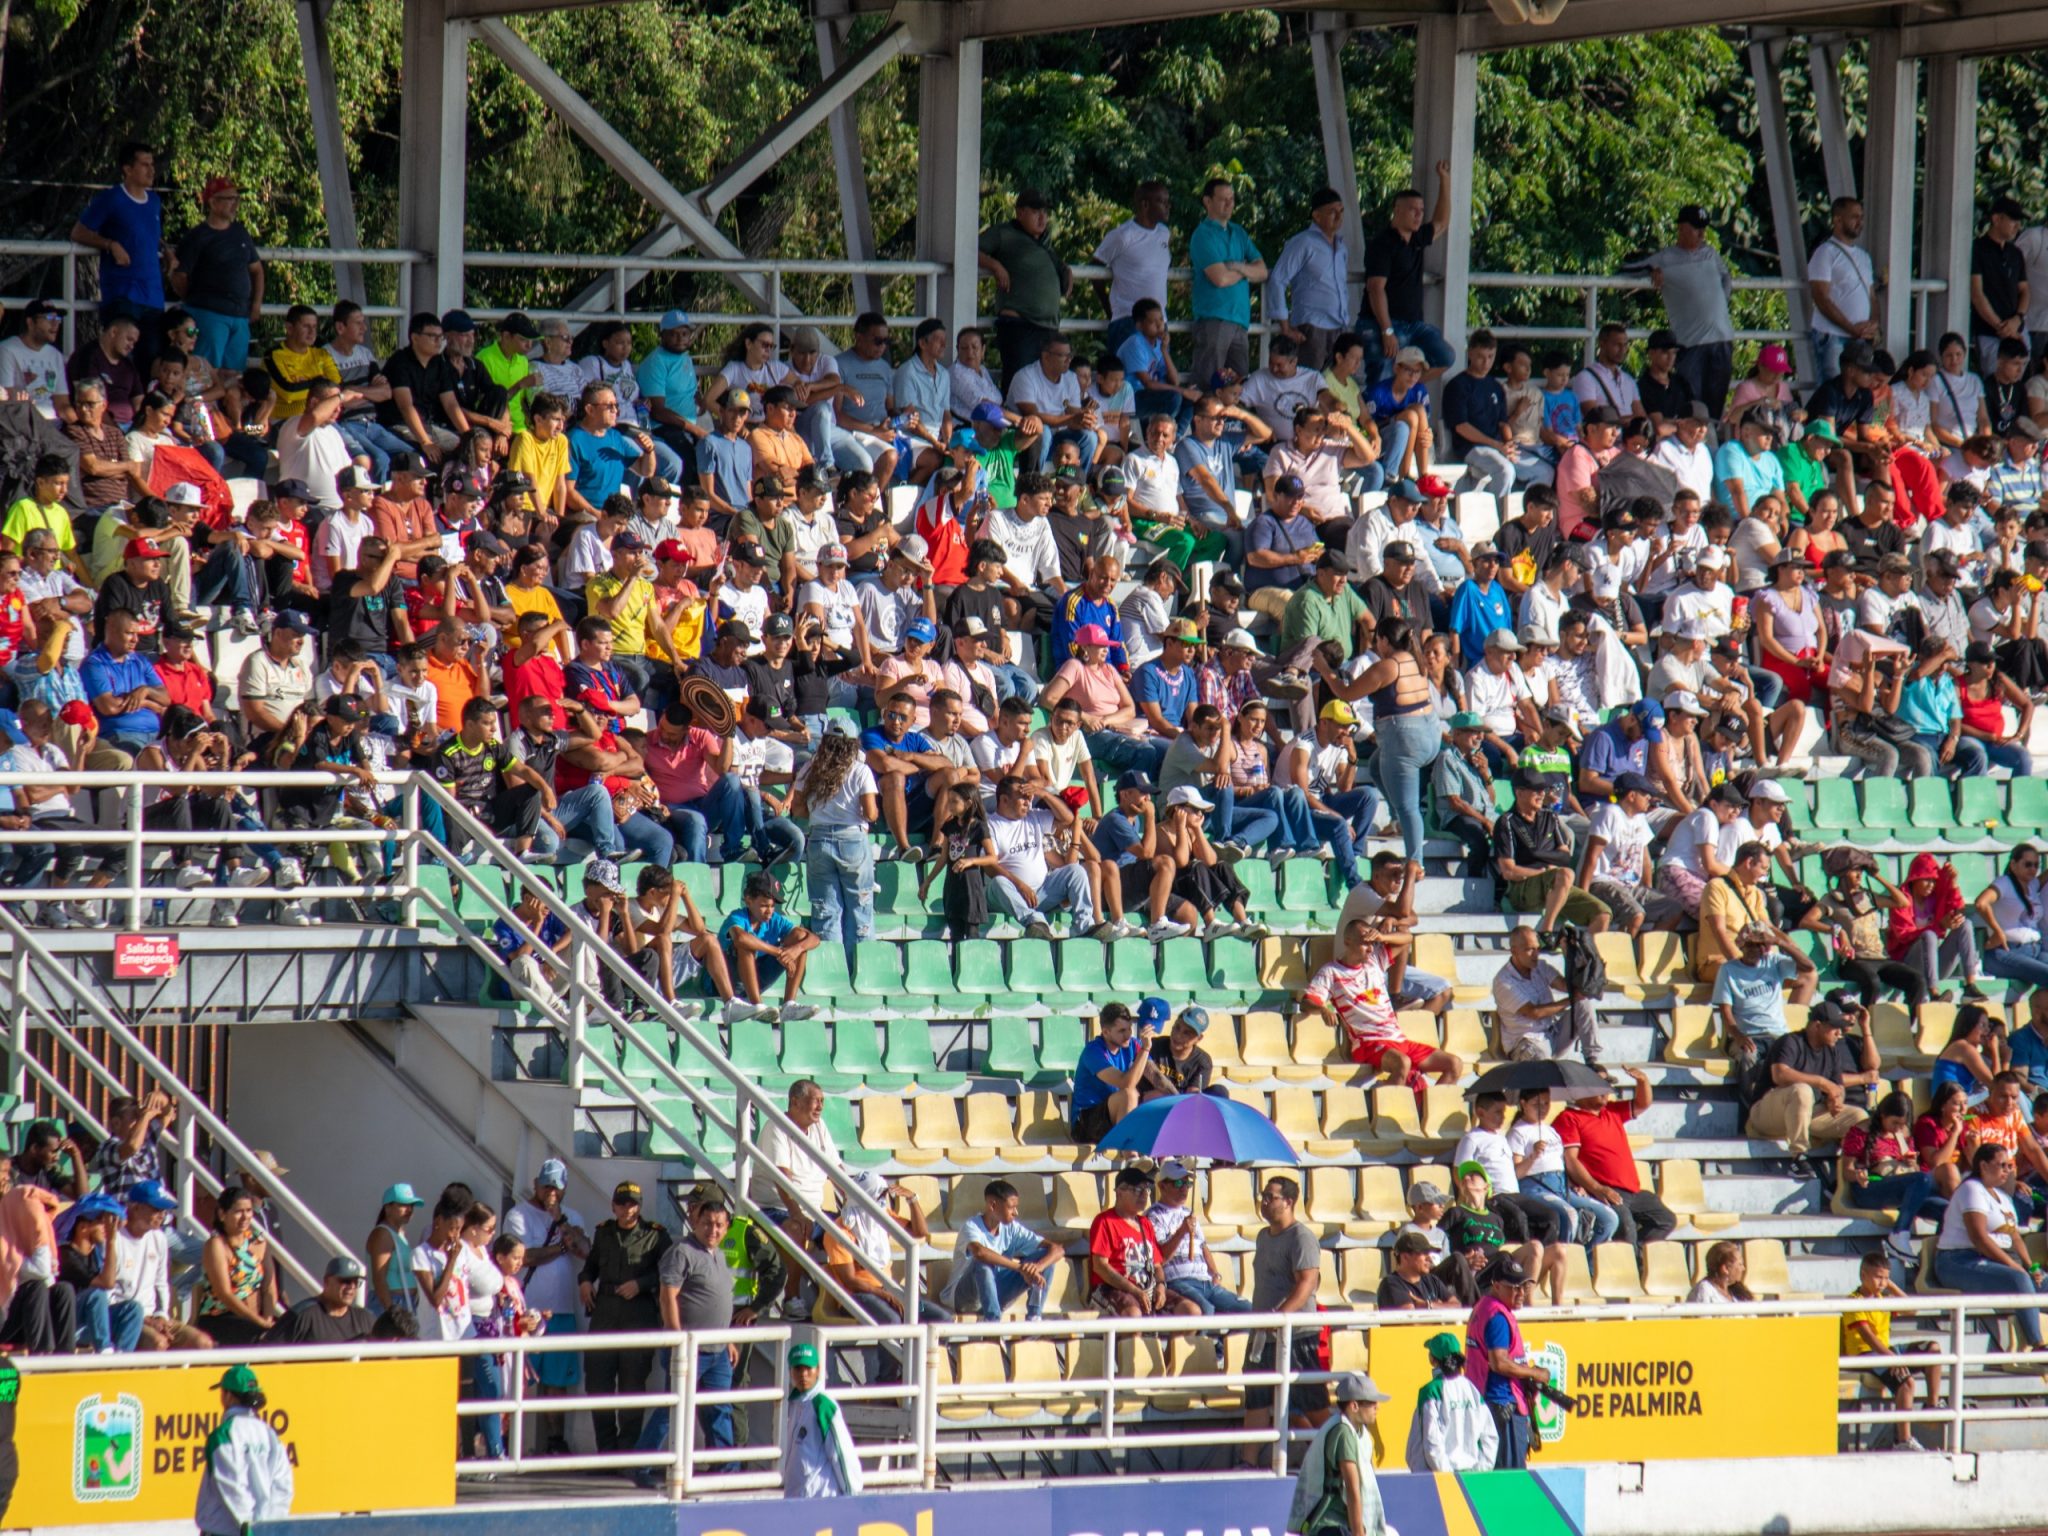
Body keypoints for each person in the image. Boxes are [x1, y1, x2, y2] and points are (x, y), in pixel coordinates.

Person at [1241, 1175, 1329, 1468]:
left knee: (1313, 1403)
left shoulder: (1302, 1237)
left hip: (1296, 1334)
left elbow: (1307, 1283)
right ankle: (1248, 1462)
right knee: (1256, 1398)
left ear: (1289, 1201)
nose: (1264, 1202)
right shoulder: (1263, 1236)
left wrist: (1281, 1317)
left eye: (1271, 1197)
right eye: (1263, 1196)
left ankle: (1341, 1457)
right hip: (1262, 1334)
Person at [579, 1180, 670, 1455]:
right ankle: (606, 1452)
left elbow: (669, 1273)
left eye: (632, 1204)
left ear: (639, 1207)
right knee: (598, 1383)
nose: (627, 1209)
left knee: (632, 1386)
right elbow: (590, 1266)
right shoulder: (604, 1232)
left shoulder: (655, 1235)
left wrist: (641, 1284)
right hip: (605, 1314)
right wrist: (585, 1281)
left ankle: (627, 1452)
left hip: (638, 1315)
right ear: (613, 1206)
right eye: (622, 1203)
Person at [502, 1159, 590, 1444]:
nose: (551, 1192)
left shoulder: (571, 1217)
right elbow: (525, 1257)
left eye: (556, 1187)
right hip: (525, 1312)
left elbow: (585, 1250)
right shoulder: (518, 1215)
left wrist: (560, 1220)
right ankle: (507, 1442)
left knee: (557, 1382)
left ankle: (555, 1442)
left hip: (561, 1311)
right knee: (516, 1381)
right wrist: (562, 1247)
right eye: (546, 1186)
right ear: (536, 1184)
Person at [1933, 1142, 2048, 1351]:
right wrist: (2016, 1268)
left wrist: (2031, 1267)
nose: (2007, 1170)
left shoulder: (2002, 1196)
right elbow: (1979, 1238)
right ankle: (2038, 1345)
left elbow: (2015, 1237)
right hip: (1959, 1260)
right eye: (2002, 1165)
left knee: (2042, 1282)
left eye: (2010, 1166)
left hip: (1993, 1260)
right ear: (1984, 1166)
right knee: (2019, 1279)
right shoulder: (1971, 1189)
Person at [1553, 1068, 1677, 1249]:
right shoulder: (1569, 1118)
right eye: (1599, 1085)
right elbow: (1570, 1160)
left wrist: (1642, 1080)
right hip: (1605, 1190)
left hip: (1632, 1190)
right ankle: (1629, 1262)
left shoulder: (1611, 1111)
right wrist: (1597, 1188)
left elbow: (1642, 1103)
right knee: (1626, 1228)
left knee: (1666, 1220)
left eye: (1607, 1085)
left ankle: (1637, 1258)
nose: (1606, 1090)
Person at [1745, 998, 1881, 1158]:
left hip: (1807, 1114)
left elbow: (1838, 1086)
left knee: (1859, 1117)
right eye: (1834, 1027)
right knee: (1802, 1090)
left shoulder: (1832, 1050)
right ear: (1817, 1026)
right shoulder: (1790, 1041)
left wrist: (1836, 1099)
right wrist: (1821, 1082)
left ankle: (1852, 1165)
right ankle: (1799, 1154)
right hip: (1767, 1114)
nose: (1839, 1033)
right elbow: (1779, 1074)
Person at [1842, 1249, 1941, 1451]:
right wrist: (1892, 1359)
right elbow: (1869, 1339)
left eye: (1886, 1278)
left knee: (1933, 1349)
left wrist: (1892, 1286)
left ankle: (1932, 1407)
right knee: (1907, 1382)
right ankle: (1903, 1440)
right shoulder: (1854, 1301)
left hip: (1886, 1351)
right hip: (1866, 1355)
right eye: (1878, 1277)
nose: (1882, 1283)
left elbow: (1912, 1309)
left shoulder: (1882, 1299)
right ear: (1863, 1275)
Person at [1843, 1091, 1949, 1266]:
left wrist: (1911, 1163)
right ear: (1883, 1115)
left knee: (1948, 1210)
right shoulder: (1861, 1131)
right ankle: (1899, 1233)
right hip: (1871, 1188)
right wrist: (1857, 1175)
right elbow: (1846, 1170)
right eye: (1894, 1123)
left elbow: (1914, 1171)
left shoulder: (1903, 1134)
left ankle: (1936, 1258)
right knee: (1921, 1179)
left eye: (1902, 1123)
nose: (1898, 1128)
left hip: (1899, 1186)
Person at [1465, 1254, 1548, 1469]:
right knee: (1510, 1476)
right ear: (1496, 1286)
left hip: (1490, 1401)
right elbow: (1499, 1363)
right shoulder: (1498, 1317)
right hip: (1503, 1405)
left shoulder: (1484, 1307)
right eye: (1514, 1288)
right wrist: (1535, 1373)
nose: (1521, 1293)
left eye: (1524, 1287)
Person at [1288, 1373, 1396, 1536]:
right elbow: (1352, 1488)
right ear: (1354, 1406)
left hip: (1336, 1524)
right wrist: (1358, 1533)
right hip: (1330, 1525)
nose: (1377, 1407)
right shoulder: (1343, 1433)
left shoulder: (1355, 1432)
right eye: (1372, 1403)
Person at [193, 1365, 294, 1536]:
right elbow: (283, 1486)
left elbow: (232, 1486)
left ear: (228, 1396)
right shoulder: (270, 1435)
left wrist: (249, 1529)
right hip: (262, 1530)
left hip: (226, 1531)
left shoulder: (223, 1435)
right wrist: (269, 1526)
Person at [944, 1178, 1063, 1322]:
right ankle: (993, 1321)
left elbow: (1058, 1250)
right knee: (982, 1263)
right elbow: (980, 1252)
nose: (1016, 1212)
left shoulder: (1012, 1228)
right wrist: (1020, 1268)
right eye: (1011, 1207)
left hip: (998, 1293)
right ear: (993, 1205)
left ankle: (1034, 1316)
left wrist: (1037, 1267)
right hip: (965, 1299)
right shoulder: (971, 1226)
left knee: (1046, 1257)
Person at [1190, 177, 1268, 386]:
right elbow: (1220, 278)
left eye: (1231, 199)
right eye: (1223, 199)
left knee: (1239, 386)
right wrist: (1246, 271)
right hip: (1214, 318)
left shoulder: (1239, 232)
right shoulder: (1202, 235)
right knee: (1208, 383)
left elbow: (1262, 271)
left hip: (1240, 320)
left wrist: (1237, 267)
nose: (1229, 204)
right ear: (1207, 201)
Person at [1492, 924, 1602, 1067]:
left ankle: (1593, 1061)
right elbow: (1533, 1012)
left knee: (1583, 1003)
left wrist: (1569, 954)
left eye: (1538, 949)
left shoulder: (1540, 966)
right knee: (1543, 1069)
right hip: (1525, 1042)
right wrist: (1571, 999)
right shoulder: (1503, 981)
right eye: (1529, 949)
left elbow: (1567, 986)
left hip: (1552, 1034)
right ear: (1514, 951)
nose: (1536, 954)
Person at [1405, 1333, 1499, 1473]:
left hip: (1440, 1476)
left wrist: (1447, 1476)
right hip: (1473, 1474)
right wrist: (1480, 1471)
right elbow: (1490, 1436)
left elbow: (1431, 1440)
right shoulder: (1472, 1389)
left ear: (1432, 1360)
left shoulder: (1430, 1391)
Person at [782, 1341, 864, 1498]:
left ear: (818, 1370)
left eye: (808, 1368)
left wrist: (851, 1495)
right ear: (790, 1371)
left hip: (821, 1498)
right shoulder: (791, 1405)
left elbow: (841, 1453)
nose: (803, 1374)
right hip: (796, 1498)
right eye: (798, 1368)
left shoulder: (823, 1405)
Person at [282, 1256, 375, 1345]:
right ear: (326, 1281)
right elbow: (274, 1350)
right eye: (346, 1281)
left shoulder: (365, 1318)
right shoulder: (304, 1315)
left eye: (356, 1282)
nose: (352, 1287)